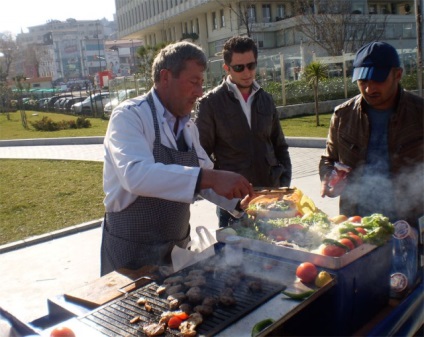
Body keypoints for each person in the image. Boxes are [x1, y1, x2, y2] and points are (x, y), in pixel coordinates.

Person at [101, 41, 254, 276]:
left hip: (176, 253)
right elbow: (136, 175)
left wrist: (244, 204)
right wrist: (209, 177)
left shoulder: (188, 126)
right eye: (194, 82)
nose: (200, 92)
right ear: (165, 77)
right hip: (131, 258)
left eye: (202, 83)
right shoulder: (129, 116)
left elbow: (206, 179)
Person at [319, 41, 423, 228]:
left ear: (397, 74)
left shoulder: (420, 114)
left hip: (408, 224)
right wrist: (328, 178)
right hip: (356, 225)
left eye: (378, 80)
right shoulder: (343, 115)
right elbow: (329, 159)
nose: (369, 89)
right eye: (363, 81)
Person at [196, 36, 292, 227]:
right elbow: (201, 157)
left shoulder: (266, 99)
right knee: (236, 256)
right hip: (233, 204)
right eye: (239, 67)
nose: (247, 72)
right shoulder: (210, 104)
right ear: (227, 68)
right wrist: (226, 196)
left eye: (251, 66)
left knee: (277, 253)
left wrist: (283, 184)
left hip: (270, 198)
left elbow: (280, 146)